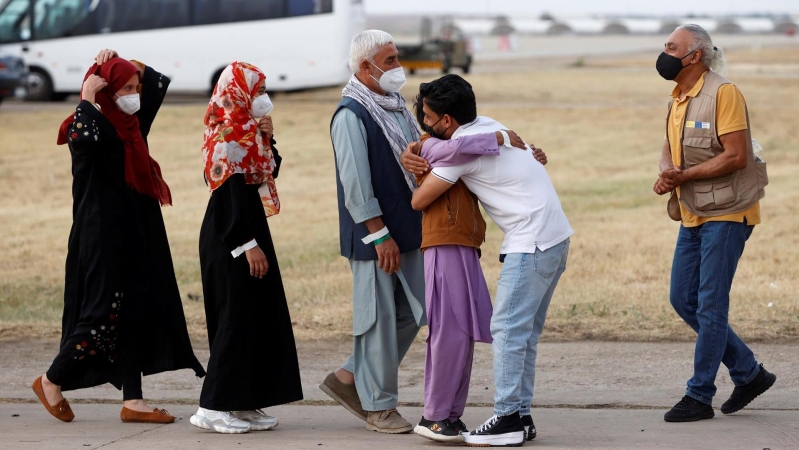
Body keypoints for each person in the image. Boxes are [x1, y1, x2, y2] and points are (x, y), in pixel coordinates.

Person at [35, 49, 205, 424]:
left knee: (135, 310)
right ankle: (51, 380)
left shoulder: (132, 124)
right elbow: (85, 137)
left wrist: (121, 59)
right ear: (105, 92)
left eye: (134, 87)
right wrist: (86, 96)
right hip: (101, 236)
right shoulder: (88, 124)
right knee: (99, 314)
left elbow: (156, 82)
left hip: (136, 231)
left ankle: (134, 400)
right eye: (124, 87)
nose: (134, 94)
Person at [403, 74, 572, 447]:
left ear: (446, 120)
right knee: (524, 334)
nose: (425, 125)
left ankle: (508, 416)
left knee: (508, 330)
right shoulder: (494, 126)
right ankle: (522, 416)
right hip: (555, 237)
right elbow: (443, 146)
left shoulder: (463, 149)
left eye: (428, 118)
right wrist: (420, 146)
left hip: (530, 241)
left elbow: (419, 200)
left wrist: (418, 156)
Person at [652, 24, 774, 423]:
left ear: (694, 56)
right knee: (682, 298)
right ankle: (749, 373)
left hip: (728, 211)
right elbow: (669, 149)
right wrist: (667, 172)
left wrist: (683, 177)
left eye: (672, 47)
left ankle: (699, 395)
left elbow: (736, 156)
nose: (664, 52)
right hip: (694, 211)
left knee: (710, 304)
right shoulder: (677, 98)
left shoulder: (724, 93)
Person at [320, 29, 426, 435]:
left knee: (419, 311)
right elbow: (356, 185)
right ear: (366, 67)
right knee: (378, 320)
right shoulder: (351, 113)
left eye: (397, 57)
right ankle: (379, 407)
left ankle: (347, 378)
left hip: (408, 227)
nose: (398, 67)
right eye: (391, 59)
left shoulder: (395, 105)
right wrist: (379, 234)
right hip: (375, 236)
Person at [191, 61, 303, 434]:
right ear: (238, 92)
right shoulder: (226, 134)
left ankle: (242, 398)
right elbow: (229, 192)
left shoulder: (247, 132)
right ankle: (212, 406)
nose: (262, 99)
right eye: (256, 92)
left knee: (255, 315)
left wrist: (267, 139)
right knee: (234, 318)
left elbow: (266, 173)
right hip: (231, 235)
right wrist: (247, 243)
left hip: (247, 227)